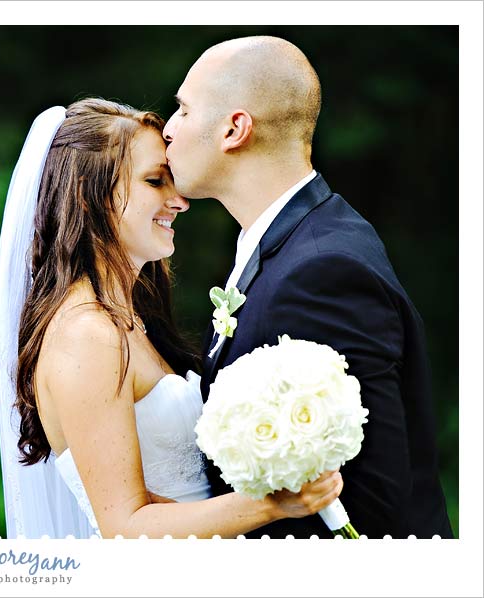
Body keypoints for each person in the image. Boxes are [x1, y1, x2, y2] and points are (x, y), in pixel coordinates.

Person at [0, 98, 342, 539]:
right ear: (87, 193)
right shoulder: (86, 335)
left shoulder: (126, 320)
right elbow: (125, 525)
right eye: (155, 181)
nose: (179, 201)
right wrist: (269, 504)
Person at [162, 36, 453, 539]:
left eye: (183, 110)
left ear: (234, 129)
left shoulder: (321, 272)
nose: (168, 129)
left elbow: (369, 500)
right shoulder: (305, 241)